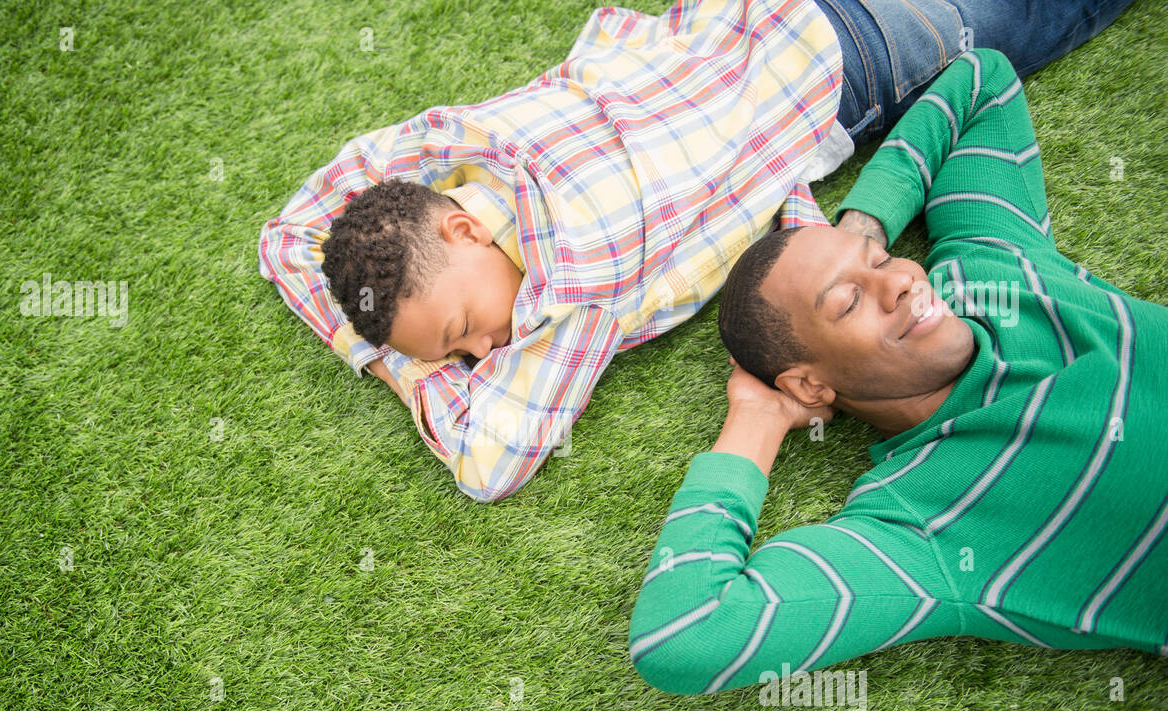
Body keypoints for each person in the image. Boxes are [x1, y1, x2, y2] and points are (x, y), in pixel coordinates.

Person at [260, 0, 1132, 503]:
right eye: (457, 356)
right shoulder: (468, 139)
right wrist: (393, 328)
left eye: (460, 330)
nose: (483, 353)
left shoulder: (577, 283)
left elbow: (493, 462)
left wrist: (392, 367)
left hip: (868, 54)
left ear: (461, 229)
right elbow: (287, 235)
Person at [627, 47, 1166, 695]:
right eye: (850, 300)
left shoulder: (986, 263)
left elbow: (983, 81)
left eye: (879, 261)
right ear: (811, 385)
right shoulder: (922, 526)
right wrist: (755, 418)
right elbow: (686, 633)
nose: (903, 283)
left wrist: (866, 222)